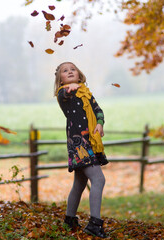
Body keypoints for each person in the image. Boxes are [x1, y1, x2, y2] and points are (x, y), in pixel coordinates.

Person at [54, 62, 109, 238]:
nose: (69, 72)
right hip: (79, 144)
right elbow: (64, 93)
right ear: (60, 79)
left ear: (79, 74)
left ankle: (69, 220)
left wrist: (99, 123)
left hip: (90, 142)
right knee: (98, 179)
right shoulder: (64, 94)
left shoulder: (86, 93)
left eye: (73, 69)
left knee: (79, 183)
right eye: (65, 71)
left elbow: (98, 110)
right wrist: (70, 86)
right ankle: (94, 224)